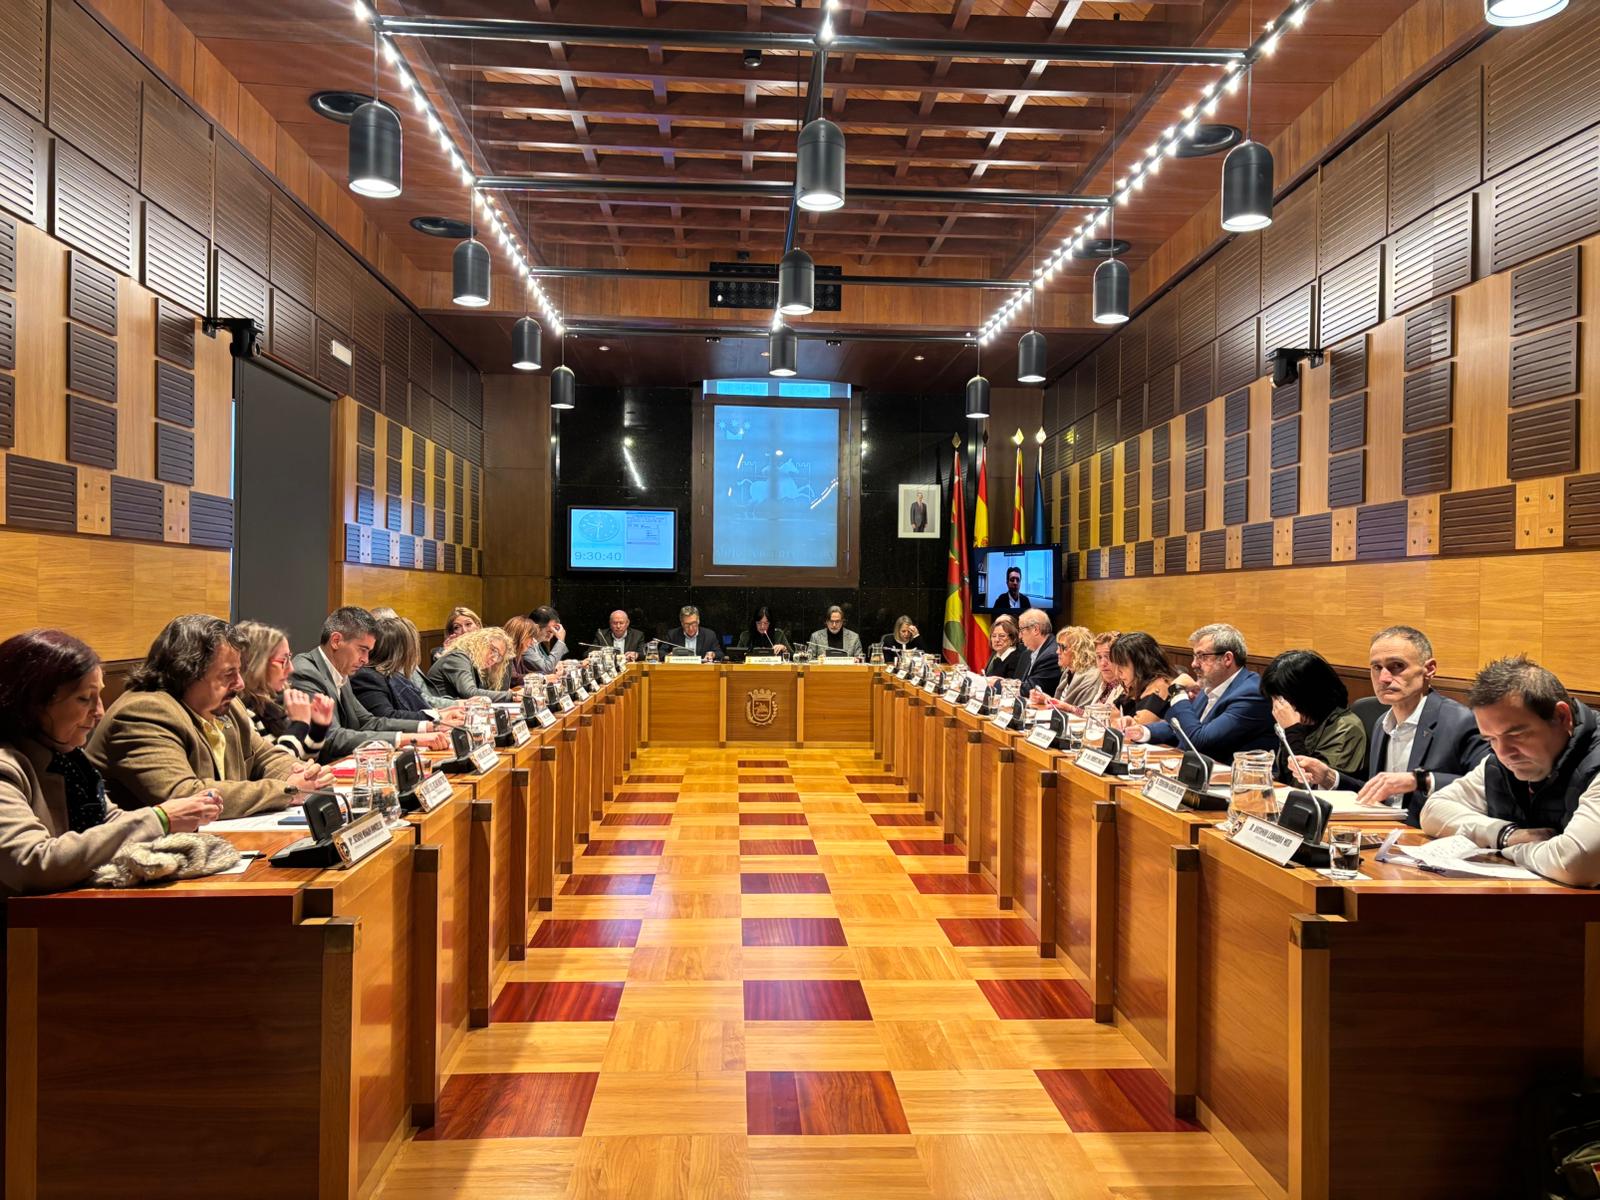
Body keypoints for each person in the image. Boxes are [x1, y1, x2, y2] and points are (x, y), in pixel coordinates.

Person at [0, 630, 223, 896]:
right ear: (34, 702)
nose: (99, 712)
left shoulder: (69, 759)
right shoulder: (6, 767)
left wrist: (179, 817)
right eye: (84, 698)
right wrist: (160, 819)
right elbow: (34, 864)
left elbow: (108, 821)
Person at [88, 615, 328, 819]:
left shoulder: (228, 707)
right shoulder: (143, 712)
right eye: (228, 674)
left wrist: (301, 774)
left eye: (239, 672)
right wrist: (287, 789)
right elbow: (185, 795)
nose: (240, 684)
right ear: (187, 672)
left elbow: (267, 757)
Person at [1420, 656, 1600, 888]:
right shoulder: (1500, 763)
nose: (1504, 752)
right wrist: (1505, 835)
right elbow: (1433, 810)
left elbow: (1576, 864)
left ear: (1562, 717)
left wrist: (1511, 851)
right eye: (1491, 739)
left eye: (1516, 735)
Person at [1292, 626, 1489, 826]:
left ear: (1429, 669)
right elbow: (1382, 793)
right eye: (1376, 667)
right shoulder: (1382, 723)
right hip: (1385, 834)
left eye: (1397, 666)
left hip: (1430, 839)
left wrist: (1420, 780)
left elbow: (1490, 787)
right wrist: (1329, 776)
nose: (1383, 678)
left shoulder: (1460, 721)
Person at [290, 607, 452, 762]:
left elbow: (368, 721)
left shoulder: (340, 670)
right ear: (336, 641)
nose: (366, 660)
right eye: (362, 649)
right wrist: (409, 739)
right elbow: (332, 736)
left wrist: (429, 727)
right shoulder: (306, 672)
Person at [1123, 623, 1274, 756]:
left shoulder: (1251, 694)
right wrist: (1143, 732)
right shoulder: (1211, 684)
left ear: (1227, 659)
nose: (1194, 664)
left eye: (1202, 656)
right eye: (1194, 656)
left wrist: (1177, 691)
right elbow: (1183, 727)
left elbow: (1199, 741)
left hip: (1236, 780)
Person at [1259, 649, 1367, 782]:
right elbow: (1285, 778)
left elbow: (1309, 788)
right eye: (1275, 699)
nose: (1279, 708)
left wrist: (1292, 730)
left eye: (1282, 699)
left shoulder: (1346, 729)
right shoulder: (1301, 723)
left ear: (1308, 695)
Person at [235, 620, 334, 760]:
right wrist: (299, 724)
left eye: (289, 658)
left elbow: (301, 757)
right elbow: (275, 765)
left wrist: (319, 727)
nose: (291, 668)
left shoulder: (273, 703)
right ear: (256, 664)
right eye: (283, 661)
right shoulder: (241, 711)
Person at [353, 617, 469, 725]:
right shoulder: (368, 676)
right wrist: (438, 716)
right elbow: (386, 717)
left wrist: (446, 711)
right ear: (403, 650)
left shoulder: (394, 676)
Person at [426, 627, 519, 703]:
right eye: (494, 650)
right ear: (480, 642)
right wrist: (513, 696)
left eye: (499, 657)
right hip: (437, 718)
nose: (494, 659)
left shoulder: (476, 665)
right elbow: (469, 692)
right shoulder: (458, 657)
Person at [1107, 632, 1176, 727]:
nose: (1117, 673)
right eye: (1116, 665)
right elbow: (1111, 714)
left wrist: (1116, 720)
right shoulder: (1135, 685)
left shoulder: (1161, 686)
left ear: (1142, 663)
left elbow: (1139, 729)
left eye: (1122, 665)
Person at [1014, 609, 1063, 699]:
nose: (1020, 636)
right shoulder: (1031, 652)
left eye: (1021, 630)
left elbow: (1031, 690)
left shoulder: (1051, 655)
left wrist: (997, 683)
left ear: (1036, 629)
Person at [523, 605, 568, 676]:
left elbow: (548, 663)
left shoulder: (539, 643)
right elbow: (547, 668)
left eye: (555, 630)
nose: (553, 634)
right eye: (550, 631)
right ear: (536, 628)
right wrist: (560, 641)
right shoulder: (526, 646)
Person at [503, 615, 540, 688]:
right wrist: (542, 679)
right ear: (521, 636)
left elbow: (526, 672)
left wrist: (545, 675)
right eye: (531, 637)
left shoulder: (518, 652)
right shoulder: (504, 652)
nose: (533, 642)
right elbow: (513, 679)